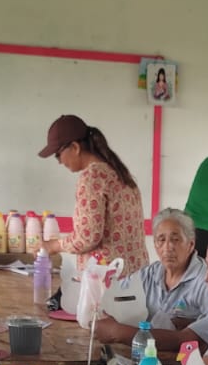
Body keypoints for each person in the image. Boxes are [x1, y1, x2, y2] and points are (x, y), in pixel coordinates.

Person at [39, 114, 149, 273]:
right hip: (136, 276)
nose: (59, 162)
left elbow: (87, 236)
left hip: (108, 279)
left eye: (58, 154)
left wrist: (54, 246)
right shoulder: (119, 172)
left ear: (75, 147)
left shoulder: (92, 178)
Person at [94, 209, 208, 347]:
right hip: (144, 353)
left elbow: (207, 334)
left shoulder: (206, 280)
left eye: (175, 240)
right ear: (155, 244)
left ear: (190, 245)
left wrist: (118, 332)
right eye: (161, 240)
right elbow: (116, 295)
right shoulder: (150, 273)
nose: (168, 247)